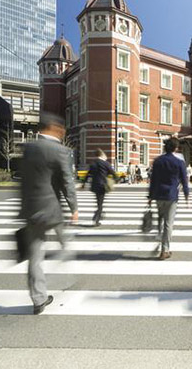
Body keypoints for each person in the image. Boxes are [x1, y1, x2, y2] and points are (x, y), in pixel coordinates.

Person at [19, 113, 78, 314]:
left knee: (34, 257)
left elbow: (23, 180)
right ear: (54, 128)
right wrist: (74, 208)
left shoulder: (28, 148)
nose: (62, 133)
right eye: (61, 129)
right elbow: (67, 182)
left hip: (31, 209)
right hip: (52, 207)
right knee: (61, 230)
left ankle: (38, 299)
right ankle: (66, 251)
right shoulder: (59, 150)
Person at [148, 138, 190, 260]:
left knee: (161, 220)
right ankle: (164, 250)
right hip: (171, 196)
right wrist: (187, 196)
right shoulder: (179, 162)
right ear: (176, 148)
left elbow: (153, 180)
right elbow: (184, 180)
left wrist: (150, 196)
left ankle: (160, 238)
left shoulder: (157, 161)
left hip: (158, 195)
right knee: (168, 223)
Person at [83, 149, 117, 226]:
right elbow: (113, 173)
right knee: (100, 203)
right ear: (102, 154)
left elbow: (88, 174)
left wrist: (84, 183)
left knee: (99, 202)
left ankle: (98, 214)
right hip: (102, 186)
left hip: (95, 185)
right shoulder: (105, 163)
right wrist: (115, 180)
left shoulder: (93, 164)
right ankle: (96, 218)